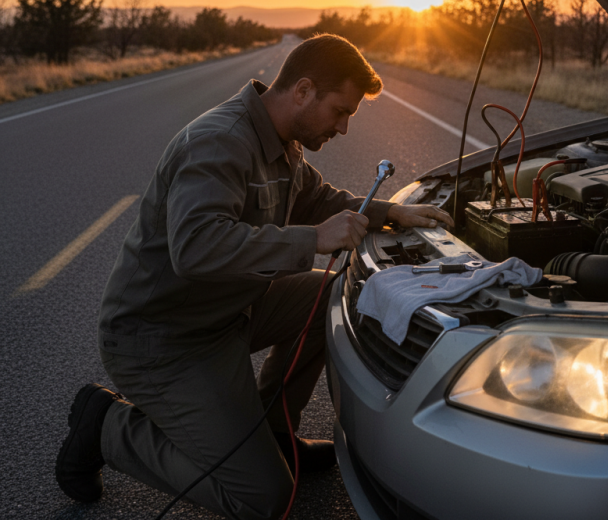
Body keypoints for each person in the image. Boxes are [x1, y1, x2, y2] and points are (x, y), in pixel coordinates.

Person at [55, 34, 453, 519]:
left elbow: (318, 200)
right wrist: (312, 240)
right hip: (162, 339)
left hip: (227, 310)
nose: (344, 128)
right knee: (264, 499)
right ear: (303, 91)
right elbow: (195, 246)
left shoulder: (282, 141)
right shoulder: (220, 141)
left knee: (334, 294)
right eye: (340, 111)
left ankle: (276, 432)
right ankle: (107, 428)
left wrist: (393, 213)